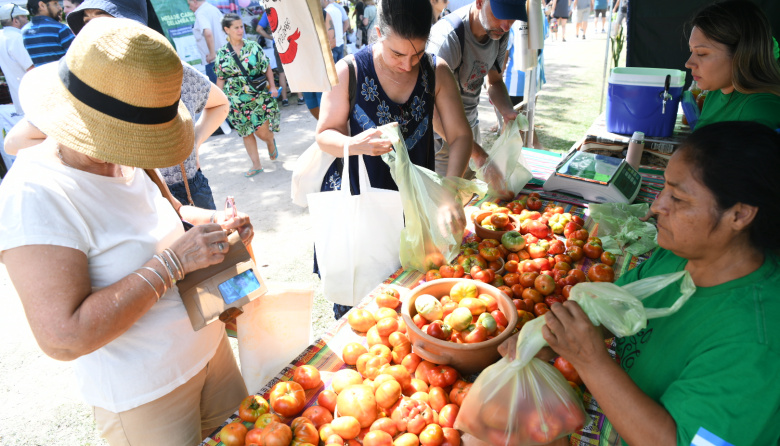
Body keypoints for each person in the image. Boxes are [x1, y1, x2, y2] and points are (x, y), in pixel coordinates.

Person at [0, 18, 253, 445]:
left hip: (210, 352)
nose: (137, 147)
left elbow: (174, 213)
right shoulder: (34, 192)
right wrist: (173, 262)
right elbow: (63, 336)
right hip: (145, 394)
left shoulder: (125, 152)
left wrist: (213, 224)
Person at [504, 121, 780, 445]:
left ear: (739, 215)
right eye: (664, 188)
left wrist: (590, 360)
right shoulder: (679, 255)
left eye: (677, 198)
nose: (656, 206)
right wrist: (549, 338)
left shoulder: (755, 347)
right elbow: (611, 308)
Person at [315, 0, 478, 319]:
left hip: (414, 210)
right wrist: (354, 143)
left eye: (416, 53)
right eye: (397, 54)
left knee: (414, 302)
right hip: (362, 208)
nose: (407, 65)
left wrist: (447, 194)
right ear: (377, 33)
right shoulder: (349, 71)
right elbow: (324, 135)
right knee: (361, 312)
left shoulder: (435, 70)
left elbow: (460, 135)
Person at [6, 0, 229, 211]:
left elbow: (219, 103)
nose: (93, 26)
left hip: (186, 188)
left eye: (102, 17)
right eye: (87, 20)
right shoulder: (88, 79)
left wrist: (194, 141)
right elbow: (16, 142)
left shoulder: (170, 69)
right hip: (126, 197)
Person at [426, 0, 524, 178]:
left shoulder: (499, 33)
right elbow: (432, 111)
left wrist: (508, 112)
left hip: (470, 130)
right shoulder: (448, 39)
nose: (506, 26)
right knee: (445, 201)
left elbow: (494, 81)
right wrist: (477, 153)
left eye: (512, 19)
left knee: (470, 199)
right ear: (479, 2)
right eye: (500, 15)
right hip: (440, 139)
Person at [685, 0, 780, 131]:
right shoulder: (716, 92)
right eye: (692, 51)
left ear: (741, 54)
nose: (688, 64)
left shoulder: (759, 109)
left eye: (701, 53)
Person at [216, 13, 280, 177]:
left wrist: (272, 86)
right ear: (227, 30)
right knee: (246, 132)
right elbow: (221, 78)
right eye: (236, 27)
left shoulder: (253, 47)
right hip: (235, 100)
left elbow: (266, 67)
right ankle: (256, 164)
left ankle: (270, 141)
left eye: (241, 26)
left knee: (262, 131)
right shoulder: (222, 53)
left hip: (257, 96)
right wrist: (219, 100)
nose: (240, 30)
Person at [256, 9, 304, 106]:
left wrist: (271, 37)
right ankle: (300, 97)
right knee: (294, 70)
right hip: (289, 41)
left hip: (277, 44)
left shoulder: (268, 12)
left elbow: (258, 29)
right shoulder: (286, 8)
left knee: (282, 73)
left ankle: (285, 99)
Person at [0, 4, 34, 114]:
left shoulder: (2, 37)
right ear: (15, 20)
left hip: (18, 96)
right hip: (31, 95)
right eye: (23, 16)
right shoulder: (16, 38)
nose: (27, 19)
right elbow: (31, 68)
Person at [22, 0, 75, 67]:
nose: (60, 8)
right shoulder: (60, 29)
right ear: (42, 5)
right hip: (62, 76)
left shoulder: (23, 32)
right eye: (55, 4)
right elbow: (77, 58)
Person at [187, 0, 227, 85]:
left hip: (213, 62)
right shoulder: (214, 9)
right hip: (224, 57)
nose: (190, 8)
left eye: (189, 4)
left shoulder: (201, 12)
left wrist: (212, 53)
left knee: (219, 95)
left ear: (195, 2)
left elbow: (208, 33)